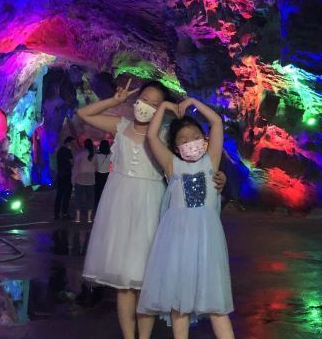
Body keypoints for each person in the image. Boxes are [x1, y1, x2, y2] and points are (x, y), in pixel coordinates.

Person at [77, 79, 227, 339]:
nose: (147, 106)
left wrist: (219, 179)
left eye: (155, 104)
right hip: (120, 204)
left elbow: (197, 164)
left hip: (152, 203)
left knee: (148, 278)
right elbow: (84, 114)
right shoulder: (120, 126)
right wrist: (116, 100)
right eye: (144, 99)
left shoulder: (166, 135)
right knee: (124, 283)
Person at [138, 97, 234, 339]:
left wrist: (192, 101)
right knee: (178, 302)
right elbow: (151, 137)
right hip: (177, 239)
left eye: (195, 137)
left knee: (216, 303)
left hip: (207, 239)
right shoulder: (172, 166)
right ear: (175, 146)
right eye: (183, 140)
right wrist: (165, 107)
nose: (190, 142)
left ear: (204, 139)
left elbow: (216, 122)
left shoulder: (211, 160)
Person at [72, 138, 96, 223]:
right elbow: (97, 167)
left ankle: (78, 218)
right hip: (91, 179)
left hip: (80, 178)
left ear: (84, 145)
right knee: (90, 198)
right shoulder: (94, 154)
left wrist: (73, 180)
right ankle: (89, 218)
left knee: (78, 198)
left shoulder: (80, 154)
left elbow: (75, 168)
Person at [54, 136, 75, 220]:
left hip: (60, 174)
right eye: (72, 143)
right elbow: (72, 162)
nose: (73, 145)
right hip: (67, 175)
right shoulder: (68, 151)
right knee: (67, 195)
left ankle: (56, 214)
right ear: (68, 142)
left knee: (59, 195)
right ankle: (65, 213)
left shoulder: (59, 151)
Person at [94, 139, 111, 211]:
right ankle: (104, 207)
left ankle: (97, 207)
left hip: (98, 175)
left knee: (97, 192)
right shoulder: (110, 155)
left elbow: (94, 165)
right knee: (105, 192)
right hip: (107, 175)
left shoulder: (97, 155)